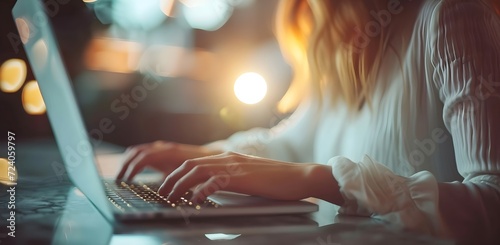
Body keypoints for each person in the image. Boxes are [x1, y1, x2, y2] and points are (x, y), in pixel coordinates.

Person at [117, 0, 500, 243]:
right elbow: (288, 143)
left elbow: (493, 202)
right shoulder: (337, 33)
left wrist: (317, 179)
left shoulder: (452, 15)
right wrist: (203, 156)